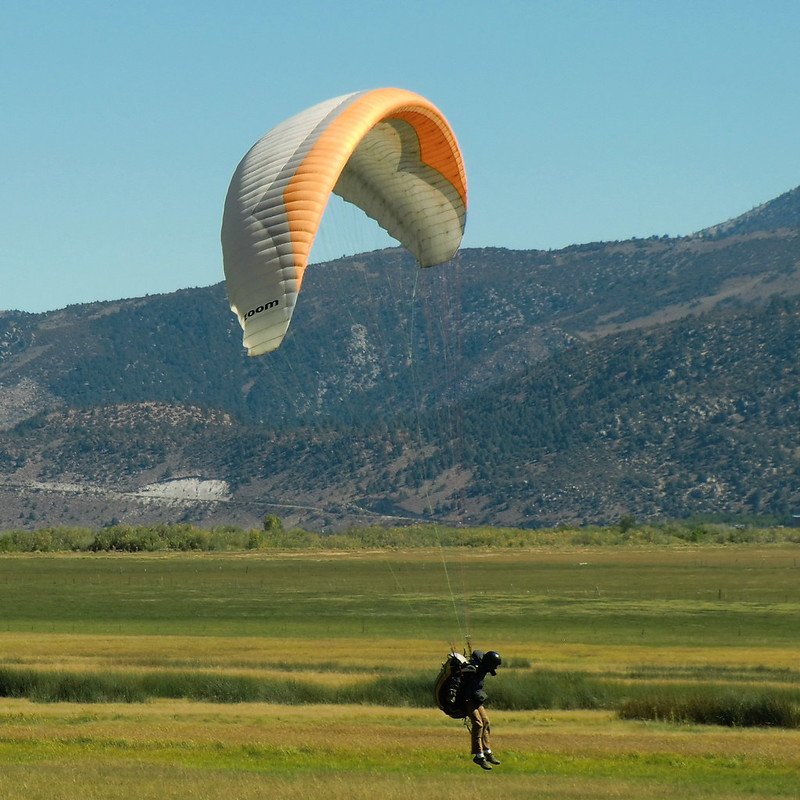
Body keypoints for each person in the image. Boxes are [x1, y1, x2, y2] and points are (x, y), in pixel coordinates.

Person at [454, 649, 502, 770]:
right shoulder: (473, 669)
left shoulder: (483, 667)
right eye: (494, 665)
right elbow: (458, 676)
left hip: (476, 699)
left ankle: (487, 752)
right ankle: (479, 756)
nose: (494, 668)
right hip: (467, 700)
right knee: (478, 724)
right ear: (489, 663)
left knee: (486, 722)